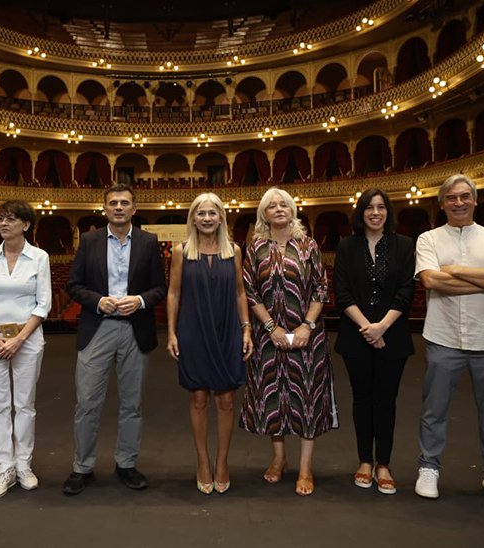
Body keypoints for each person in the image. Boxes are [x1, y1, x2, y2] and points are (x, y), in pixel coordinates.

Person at [413, 174, 484, 508]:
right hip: (443, 336)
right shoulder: (429, 239)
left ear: (475, 200)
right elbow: (432, 281)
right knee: (434, 410)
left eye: (464, 196)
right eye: (451, 197)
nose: (458, 202)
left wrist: (456, 270)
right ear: (442, 203)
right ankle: (428, 467)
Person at [63, 183, 167, 495]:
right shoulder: (90, 241)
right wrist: (97, 300)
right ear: (105, 209)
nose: (119, 208)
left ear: (134, 209)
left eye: (124, 203)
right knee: (87, 403)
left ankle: (126, 464)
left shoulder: (149, 242)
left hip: (135, 328)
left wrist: (140, 300)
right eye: (113, 203)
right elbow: (73, 285)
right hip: (98, 327)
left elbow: (159, 288)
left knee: (131, 404)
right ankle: (82, 466)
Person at [241, 187, 337, 497]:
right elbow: (249, 291)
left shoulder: (308, 246)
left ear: (292, 211)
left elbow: (321, 289)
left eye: (284, 204)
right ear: (264, 214)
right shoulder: (255, 248)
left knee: (306, 398)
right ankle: (279, 458)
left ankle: (306, 466)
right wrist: (271, 327)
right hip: (269, 337)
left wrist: (307, 325)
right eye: (272, 206)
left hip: (308, 336)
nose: (279, 209)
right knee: (275, 397)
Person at [166, 193, 253, 495]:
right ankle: (203, 461)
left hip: (227, 330)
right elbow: (174, 293)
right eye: (200, 213)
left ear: (221, 218)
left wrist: (246, 329)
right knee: (199, 399)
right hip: (193, 330)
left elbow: (241, 293)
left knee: (226, 400)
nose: (206, 218)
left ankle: (222, 462)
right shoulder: (181, 251)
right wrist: (172, 333)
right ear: (192, 218)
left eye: (211, 213)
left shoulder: (235, 251)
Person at [333, 188, 415, 495]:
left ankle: (384, 464)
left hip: (393, 334)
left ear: (388, 212)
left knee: (386, 400)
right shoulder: (346, 246)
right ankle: (365, 461)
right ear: (361, 212)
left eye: (381, 207)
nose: (375, 212)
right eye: (369, 207)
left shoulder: (404, 245)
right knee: (361, 399)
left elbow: (406, 291)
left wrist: (382, 327)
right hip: (357, 335)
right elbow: (341, 293)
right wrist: (368, 328)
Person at [0, 201, 52, 499]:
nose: (4, 223)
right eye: (1, 219)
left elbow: (44, 304)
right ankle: (4, 467)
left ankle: (24, 465)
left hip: (27, 338)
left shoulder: (39, 257)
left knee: (25, 404)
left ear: (26, 225)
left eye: (11, 219)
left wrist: (18, 339)